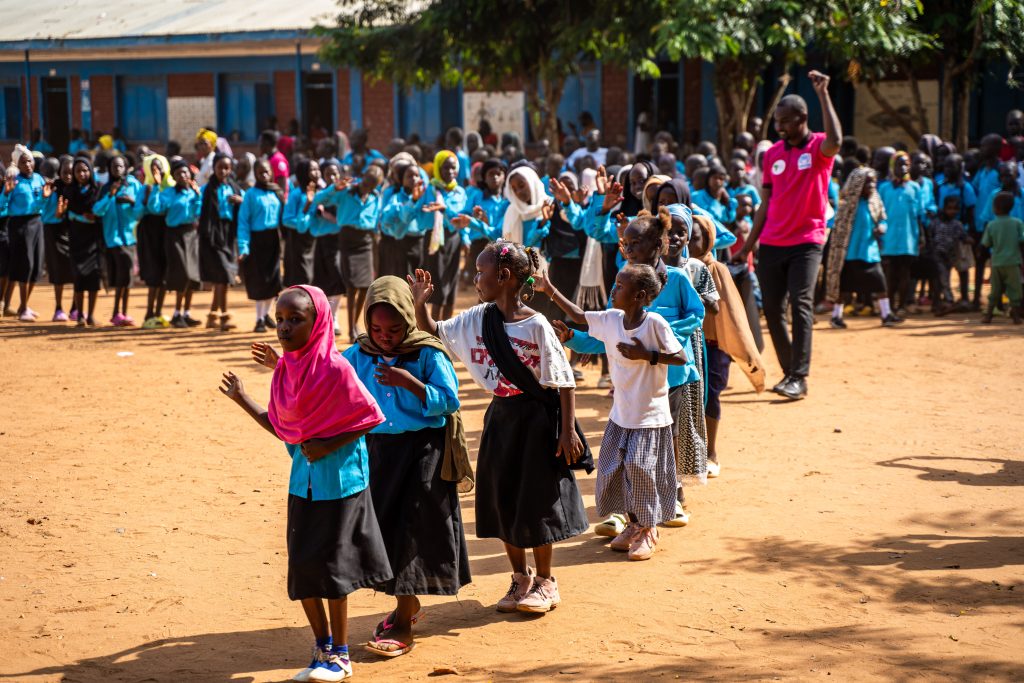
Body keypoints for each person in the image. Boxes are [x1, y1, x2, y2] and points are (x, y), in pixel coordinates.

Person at [409, 241, 591, 614]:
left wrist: (567, 430)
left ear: (504, 277)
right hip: (501, 417)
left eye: (481, 272)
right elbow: (432, 329)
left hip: (538, 420)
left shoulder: (537, 325)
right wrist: (419, 302)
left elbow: (563, 380)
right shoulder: (478, 318)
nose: (476, 279)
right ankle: (519, 578)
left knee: (538, 499)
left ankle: (545, 582)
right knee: (503, 497)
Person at [221, 285, 390, 683]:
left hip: (340, 484)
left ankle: (342, 655)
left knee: (333, 572)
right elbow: (284, 430)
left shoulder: (336, 369)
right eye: (279, 319)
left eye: (295, 320)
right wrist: (243, 398)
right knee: (302, 569)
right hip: (303, 484)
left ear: (318, 324)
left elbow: (370, 416)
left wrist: (328, 443)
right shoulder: (288, 371)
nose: (283, 327)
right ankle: (322, 646)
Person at [340, 277, 471, 657]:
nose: (384, 336)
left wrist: (411, 383)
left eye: (394, 329)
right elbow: (329, 378)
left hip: (422, 454)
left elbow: (448, 401)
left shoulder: (427, 354)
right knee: (386, 528)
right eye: (377, 328)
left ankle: (401, 622)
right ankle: (408, 605)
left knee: (412, 532)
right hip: (378, 453)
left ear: (409, 322)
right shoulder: (359, 354)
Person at [541, 262, 686, 561]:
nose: (613, 289)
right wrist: (549, 290)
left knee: (640, 469)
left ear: (639, 295)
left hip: (649, 415)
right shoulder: (611, 319)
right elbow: (579, 315)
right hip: (621, 414)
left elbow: (680, 357)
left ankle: (649, 529)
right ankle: (633, 524)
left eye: (620, 286)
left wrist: (646, 355)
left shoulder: (655, 323)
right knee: (616, 471)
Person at [733, 70, 841, 401]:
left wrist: (823, 94)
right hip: (773, 243)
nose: (779, 127)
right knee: (775, 312)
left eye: (785, 121)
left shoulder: (819, 149)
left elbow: (836, 140)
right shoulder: (774, 154)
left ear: (802, 118)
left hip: (807, 241)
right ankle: (789, 372)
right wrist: (748, 247)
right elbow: (765, 203)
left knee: (801, 304)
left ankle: (800, 376)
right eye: (776, 121)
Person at [689, 214, 765, 477]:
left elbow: (730, 312)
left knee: (710, 395)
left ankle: (711, 452)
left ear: (708, 240)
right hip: (686, 345)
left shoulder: (716, 270)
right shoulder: (674, 269)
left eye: (694, 237)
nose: (687, 242)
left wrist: (736, 344)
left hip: (713, 344)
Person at [315, 165, 384, 343]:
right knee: (352, 286)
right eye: (367, 182)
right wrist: (334, 188)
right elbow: (319, 199)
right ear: (362, 177)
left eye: (373, 185)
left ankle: (356, 323)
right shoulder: (346, 192)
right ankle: (351, 329)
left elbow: (376, 218)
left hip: (366, 241)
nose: (368, 187)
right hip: (348, 239)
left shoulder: (375, 197)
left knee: (365, 286)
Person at [825, 167, 902, 328]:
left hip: (870, 252)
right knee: (844, 288)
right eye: (868, 182)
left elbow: (882, 218)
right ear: (857, 185)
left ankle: (886, 314)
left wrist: (882, 227)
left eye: (873, 182)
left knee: (880, 284)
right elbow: (838, 227)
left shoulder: (875, 201)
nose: (872, 185)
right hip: (850, 253)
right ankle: (836, 317)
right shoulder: (847, 206)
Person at [147, 158, 202, 328]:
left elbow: (199, 212)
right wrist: (156, 187)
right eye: (178, 173)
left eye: (185, 172)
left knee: (192, 274)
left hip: (191, 234)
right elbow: (155, 208)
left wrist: (198, 195)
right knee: (182, 273)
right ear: (174, 176)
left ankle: (186, 313)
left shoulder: (194, 192)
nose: (182, 176)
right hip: (174, 235)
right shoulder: (168, 193)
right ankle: (177, 313)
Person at [1, 145, 50, 321]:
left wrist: (44, 199)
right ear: (17, 164)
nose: (28, 164)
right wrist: (6, 194)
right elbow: (2, 207)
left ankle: (24, 305)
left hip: (37, 223)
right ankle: (22, 309)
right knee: (25, 265)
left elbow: (42, 206)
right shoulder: (14, 182)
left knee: (36, 265)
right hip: (19, 225)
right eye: (23, 162)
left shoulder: (39, 179)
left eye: (29, 160)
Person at [237, 159, 284, 333]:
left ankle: (266, 314)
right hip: (257, 240)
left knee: (273, 280)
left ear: (271, 172)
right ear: (255, 174)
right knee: (260, 280)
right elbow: (243, 222)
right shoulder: (250, 194)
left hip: (273, 239)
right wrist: (243, 246)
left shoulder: (276, 192)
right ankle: (259, 319)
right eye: (260, 172)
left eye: (266, 171)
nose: (264, 175)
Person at [92, 155, 139, 326]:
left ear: (126, 168)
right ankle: (116, 312)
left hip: (129, 236)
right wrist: (110, 196)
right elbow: (97, 210)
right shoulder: (105, 189)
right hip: (113, 238)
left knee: (126, 277)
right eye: (113, 167)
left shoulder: (133, 185)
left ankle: (122, 313)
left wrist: (131, 201)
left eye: (120, 166)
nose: (117, 169)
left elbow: (140, 208)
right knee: (123, 274)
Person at [198, 153, 243, 331]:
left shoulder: (235, 188)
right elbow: (199, 209)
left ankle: (212, 315)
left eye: (226, 168)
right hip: (212, 236)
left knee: (221, 279)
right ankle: (224, 316)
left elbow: (245, 207)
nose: (223, 171)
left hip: (229, 234)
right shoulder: (207, 189)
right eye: (219, 167)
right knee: (223, 276)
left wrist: (240, 201)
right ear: (213, 168)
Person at [421, 150, 467, 322]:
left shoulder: (460, 192)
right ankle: (434, 327)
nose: (449, 171)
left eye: (452, 168)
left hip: (453, 239)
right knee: (438, 283)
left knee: (451, 282)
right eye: (445, 167)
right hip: (435, 239)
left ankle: (447, 326)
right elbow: (423, 212)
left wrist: (466, 239)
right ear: (438, 168)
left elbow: (462, 217)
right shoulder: (431, 189)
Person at [878, 151, 924, 315]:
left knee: (905, 273)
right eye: (899, 164)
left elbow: (919, 214)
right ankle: (888, 307)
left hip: (908, 238)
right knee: (890, 274)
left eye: (906, 164)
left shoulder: (914, 188)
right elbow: (878, 213)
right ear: (892, 167)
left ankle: (902, 306)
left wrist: (922, 237)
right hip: (888, 238)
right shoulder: (884, 188)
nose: (903, 167)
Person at [64, 156, 104, 327]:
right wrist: (77, 216)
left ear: (90, 171)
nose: (82, 174)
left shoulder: (98, 190)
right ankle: (80, 314)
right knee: (79, 277)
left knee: (94, 278)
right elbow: (66, 215)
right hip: (76, 240)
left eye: (85, 170)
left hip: (94, 240)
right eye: (78, 171)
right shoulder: (69, 192)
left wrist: (95, 217)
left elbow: (103, 212)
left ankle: (91, 315)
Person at [936, 154, 978, 307]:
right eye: (946, 166)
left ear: (960, 168)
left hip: (961, 232)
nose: (947, 169)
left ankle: (965, 297)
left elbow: (971, 210)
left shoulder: (965, 188)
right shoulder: (942, 186)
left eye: (951, 166)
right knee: (943, 265)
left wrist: (969, 231)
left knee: (962, 266)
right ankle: (946, 296)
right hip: (944, 232)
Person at [138, 155, 173, 328]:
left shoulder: (171, 188)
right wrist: (145, 201)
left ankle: (159, 312)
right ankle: (148, 313)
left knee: (164, 275)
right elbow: (139, 212)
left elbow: (161, 209)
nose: (157, 171)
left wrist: (157, 189)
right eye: (153, 169)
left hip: (166, 232)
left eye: (159, 168)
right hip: (149, 234)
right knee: (153, 274)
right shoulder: (145, 188)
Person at [39, 155, 75, 321]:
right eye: (65, 172)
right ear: (59, 173)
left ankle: (76, 307)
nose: (68, 176)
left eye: (71, 172)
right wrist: (46, 199)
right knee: (58, 271)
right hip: (54, 232)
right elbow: (43, 213)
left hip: (75, 231)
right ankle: (58, 308)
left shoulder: (78, 189)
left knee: (77, 270)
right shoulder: (52, 189)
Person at [980, 191, 1024, 324]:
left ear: (996, 208)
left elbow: (985, 244)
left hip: (997, 262)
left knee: (995, 290)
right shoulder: (1017, 223)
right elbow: (1022, 241)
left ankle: (988, 315)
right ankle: (1015, 317)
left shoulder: (992, 225)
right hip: (1013, 262)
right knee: (1015, 290)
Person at [928, 195, 967, 313]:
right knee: (941, 278)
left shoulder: (957, 224)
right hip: (937, 255)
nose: (952, 211)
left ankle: (940, 303)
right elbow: (930, 236)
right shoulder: (936, 222)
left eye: (955, 209)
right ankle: (947, 300)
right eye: (949, 208)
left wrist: (968, 239)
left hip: (949, 256)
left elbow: (963, 237)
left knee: (943, 278)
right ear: (944, 208)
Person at [259, 129, 290, 200]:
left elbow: (282, 187)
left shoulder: (278, 160)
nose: (259, 145)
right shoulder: (268, 158)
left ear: (266, 143)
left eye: (261, 142)